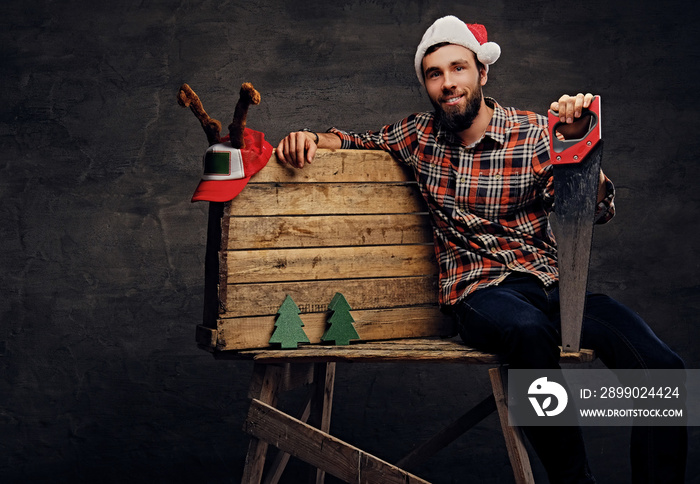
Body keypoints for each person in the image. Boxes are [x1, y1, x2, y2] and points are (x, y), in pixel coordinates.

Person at [276, 15, 686, 484]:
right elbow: (353, 140)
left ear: (482, 73)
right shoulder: (417, 136)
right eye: (435, 74)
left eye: (458, 68)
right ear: (427, 85)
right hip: (480, 292)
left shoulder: (535, 132)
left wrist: (579, 149)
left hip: (552, 286)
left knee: (663, 369)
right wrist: (309, 137)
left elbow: (591, 209)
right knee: (527, 333)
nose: (448, 83)